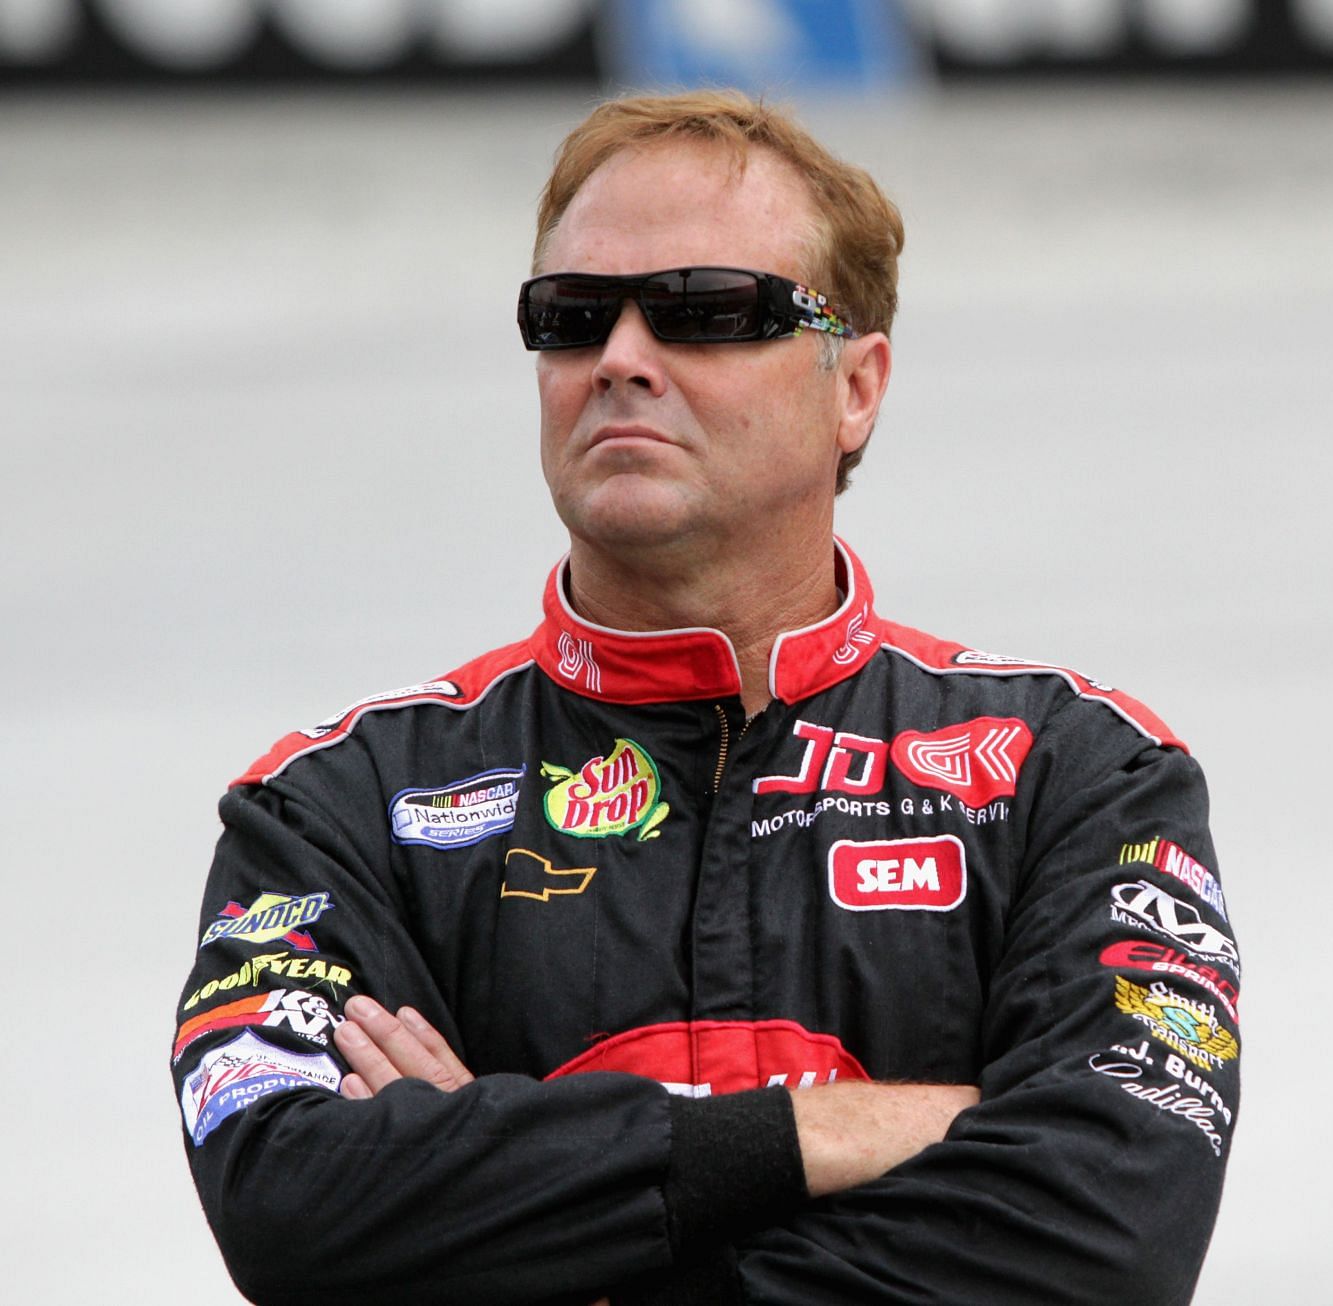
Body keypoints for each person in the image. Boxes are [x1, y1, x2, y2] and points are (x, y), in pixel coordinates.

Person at [171, 90, 1241, 1305]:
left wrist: (527, 1221)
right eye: (572, 319)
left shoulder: (1078, 772)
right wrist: (820, 1138)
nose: (622, 358)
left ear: (858, 386)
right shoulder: (339, 805)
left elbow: (1108, 1235)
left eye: (706, 312)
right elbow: (289, 1208)